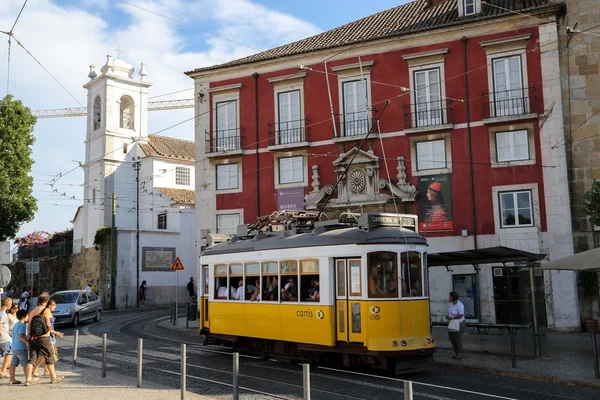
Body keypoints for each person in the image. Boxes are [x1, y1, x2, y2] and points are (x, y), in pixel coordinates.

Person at [24, 293, 64, 385]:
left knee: (32, 359)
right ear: (46, 301)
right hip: (43, 338)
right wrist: (51, 330)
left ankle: (28, 379)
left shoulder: (33, 311)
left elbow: (29, 326)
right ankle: (53, 377)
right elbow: (49, 324)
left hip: (33, 338)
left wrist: (30, 337)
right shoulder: (46, 310)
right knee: (49, 356)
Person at [32, 299, 63, 378]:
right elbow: (47, 327)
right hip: (48, 335)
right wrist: (55, 333)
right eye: (54, 305)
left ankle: (46, 370)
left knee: (49, 354)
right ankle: (35, 367)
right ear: (49, 305)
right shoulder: (47, 312)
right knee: (48, 354)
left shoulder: (49, 312)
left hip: (51, 335)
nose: (55, 307)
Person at [8, 309, 29, 385]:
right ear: (24, 316)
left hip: (14, 347)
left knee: (13, 364)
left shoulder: (16, 325)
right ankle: (28, 378)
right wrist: (27, 342)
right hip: (21, 347)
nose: (28, 317)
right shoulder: (22, 325)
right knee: (25, 364)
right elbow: (21, 336)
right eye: (27, 315)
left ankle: (12, 379)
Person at [446, 291, 466, 360]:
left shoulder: (460, 305)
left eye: (450, 296)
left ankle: (460, 354)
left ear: (453, 297)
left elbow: (461, 314)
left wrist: (452, 317)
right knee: (452, 338)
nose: (449, 297)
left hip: (459, 323)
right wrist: (448, 316)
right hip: (452, 323)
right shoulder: (451, 304)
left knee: (458, 339)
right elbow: (450, 313)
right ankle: (456, 352)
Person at [0, 297, 13, 378]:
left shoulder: (1, 313)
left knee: (8, 353)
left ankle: (4, 370)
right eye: (11, 304)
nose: (11, 305)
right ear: (8, 304)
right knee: (9, 353)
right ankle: (3, 370)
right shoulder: (3, 314)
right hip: (4, 338)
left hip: (4, 337)